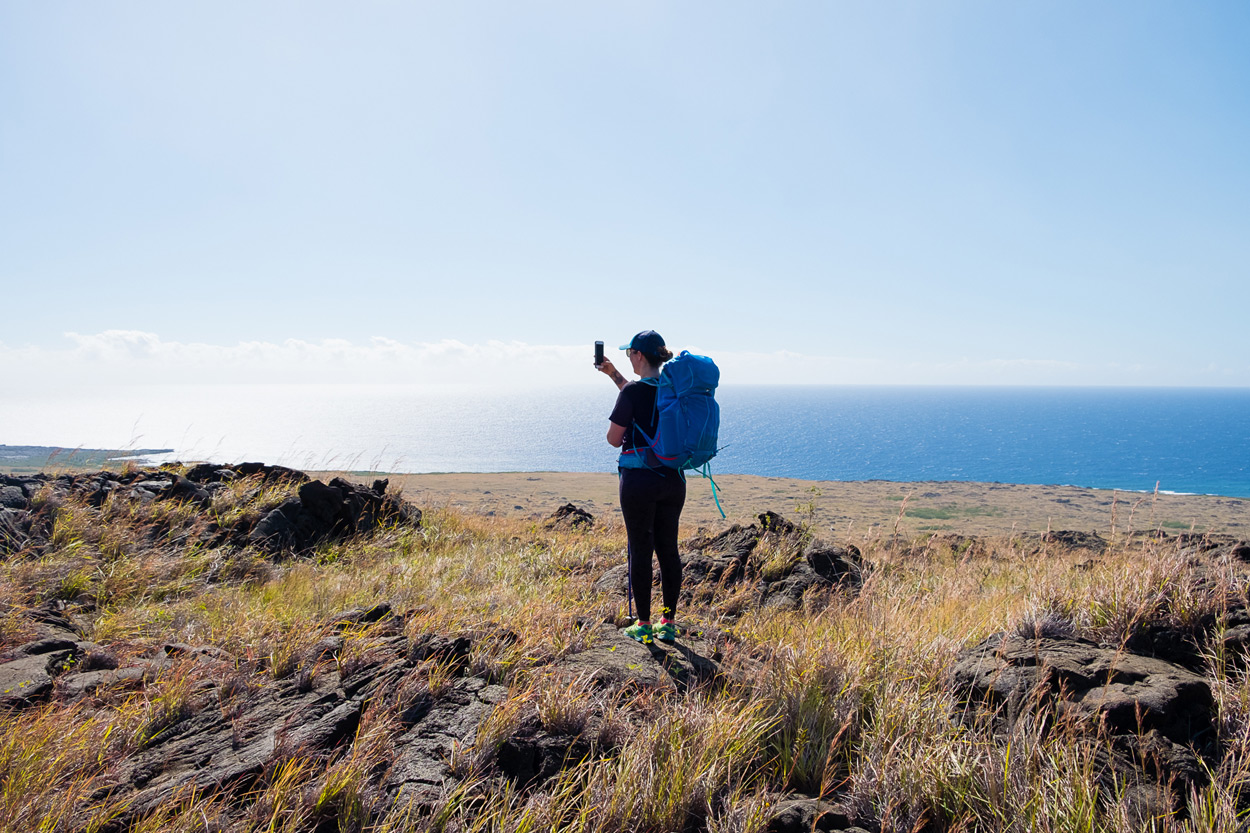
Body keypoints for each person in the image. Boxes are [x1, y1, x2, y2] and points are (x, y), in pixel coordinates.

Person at [596, 330, 685, 645]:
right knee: (668, 551)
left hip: (638, 482)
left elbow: (614, 439)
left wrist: (621, 390)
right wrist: (613, 375)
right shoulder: (674, 390)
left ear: (639, 355)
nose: (628, 358)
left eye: (629, 353)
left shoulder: (633, 393)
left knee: (641, 550)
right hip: (673, 481)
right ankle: (668, 622)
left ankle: (644, 624)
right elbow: (642, 398)